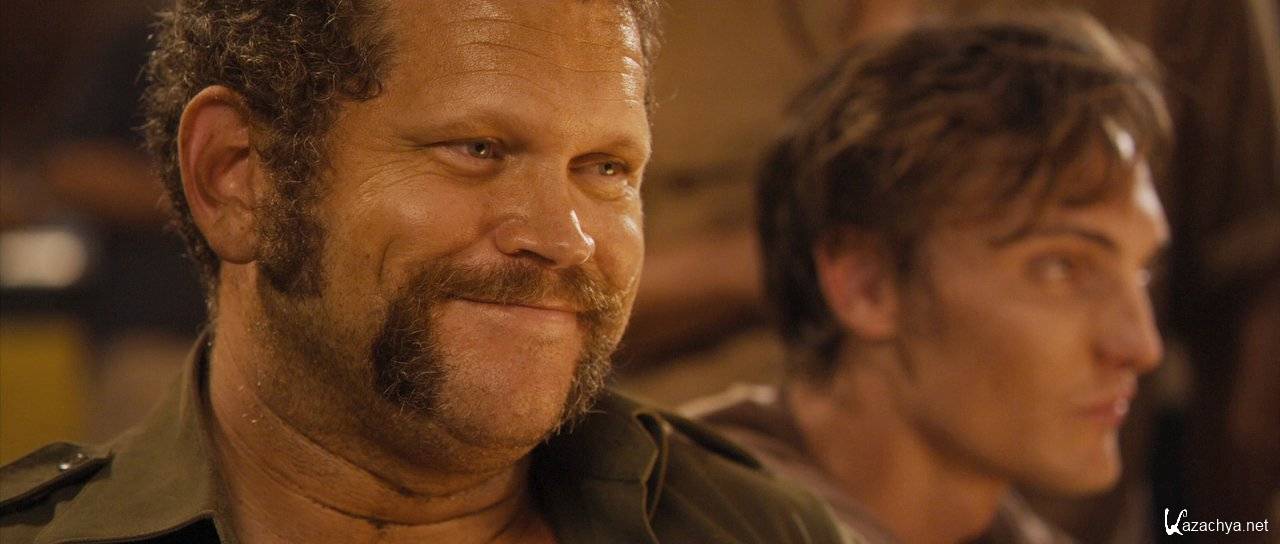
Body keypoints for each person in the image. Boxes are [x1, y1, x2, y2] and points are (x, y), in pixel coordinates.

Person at [0, 1, 849, 543]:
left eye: (606, 168)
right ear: (239, 176)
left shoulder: (757, 526)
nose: (565, 239)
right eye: (477, 149)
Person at [687, 12, 1173, 544]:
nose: (1141, 346)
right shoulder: (677, 513)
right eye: (1061, 267)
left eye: (1142, 271)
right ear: (867, 286)